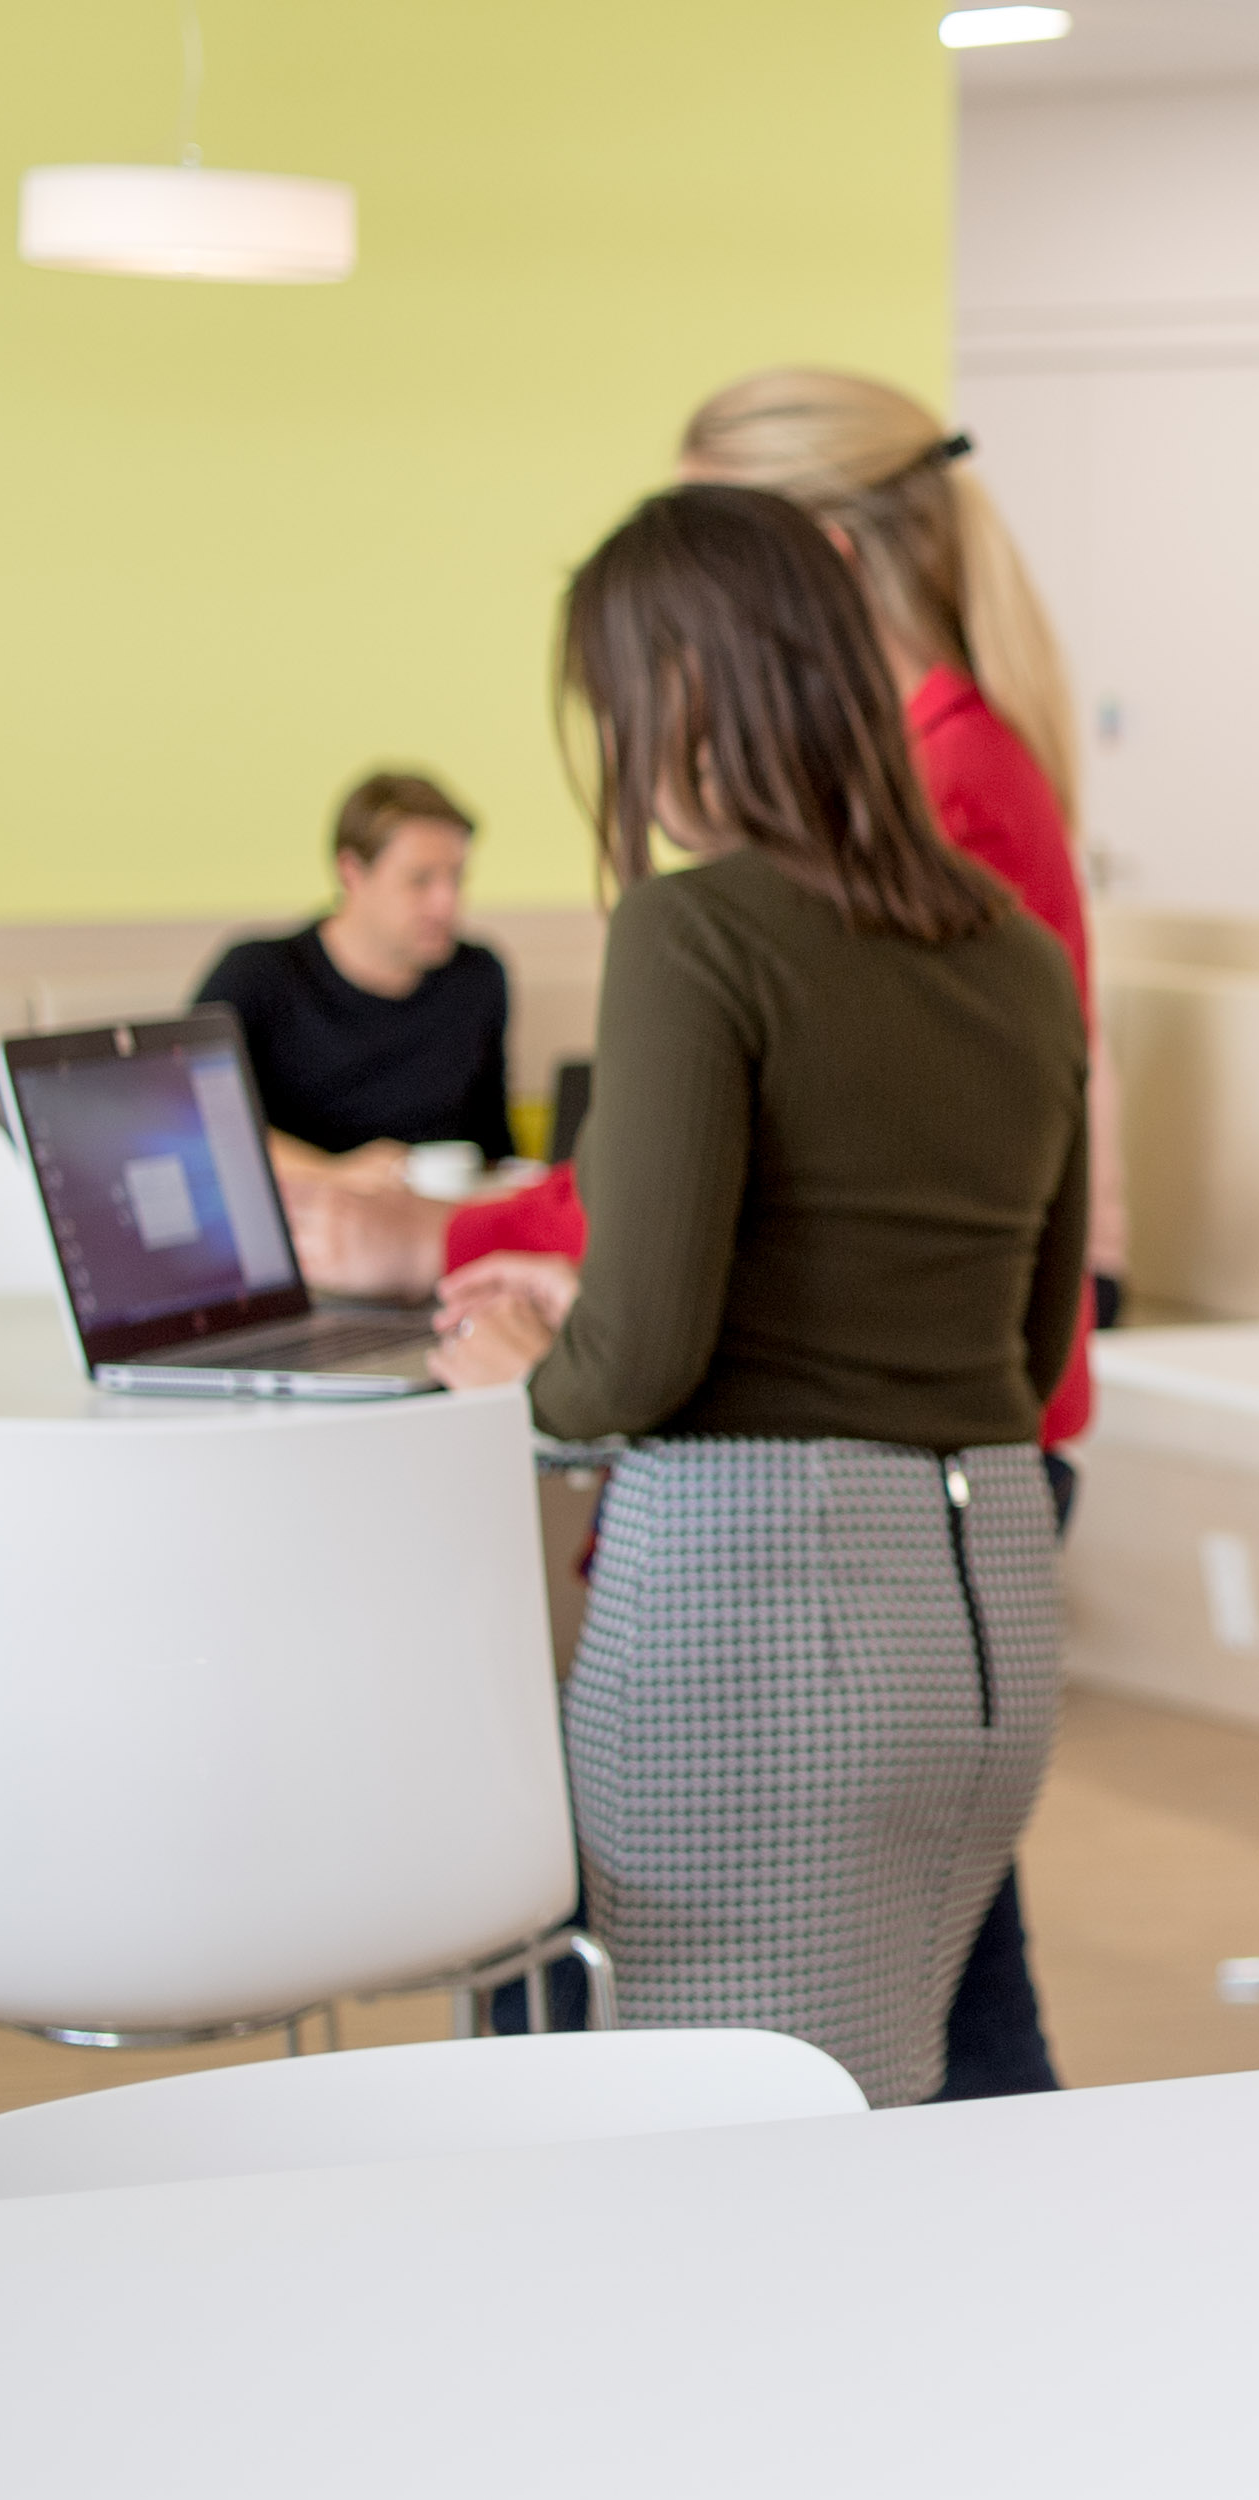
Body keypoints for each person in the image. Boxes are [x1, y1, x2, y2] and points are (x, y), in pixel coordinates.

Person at [443, 365, 1118, 2096]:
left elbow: (636, 1357)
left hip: (758, 1613)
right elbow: (1032, 1345)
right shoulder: (1012, 947)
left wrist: (527, 1359)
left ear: (686, 693)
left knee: (694, 2137)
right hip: (982, 1625)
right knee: (887, 2103)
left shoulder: (697, 934)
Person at [194, 769, 518, 1178]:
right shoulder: (258, 976)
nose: (446, 903)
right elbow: (190, 1119)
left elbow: (494, 1141)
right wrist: (336, 1178)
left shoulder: (478, 977)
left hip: (443, 1219)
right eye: (420, 880)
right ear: (351, 872)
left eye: (456, 878)